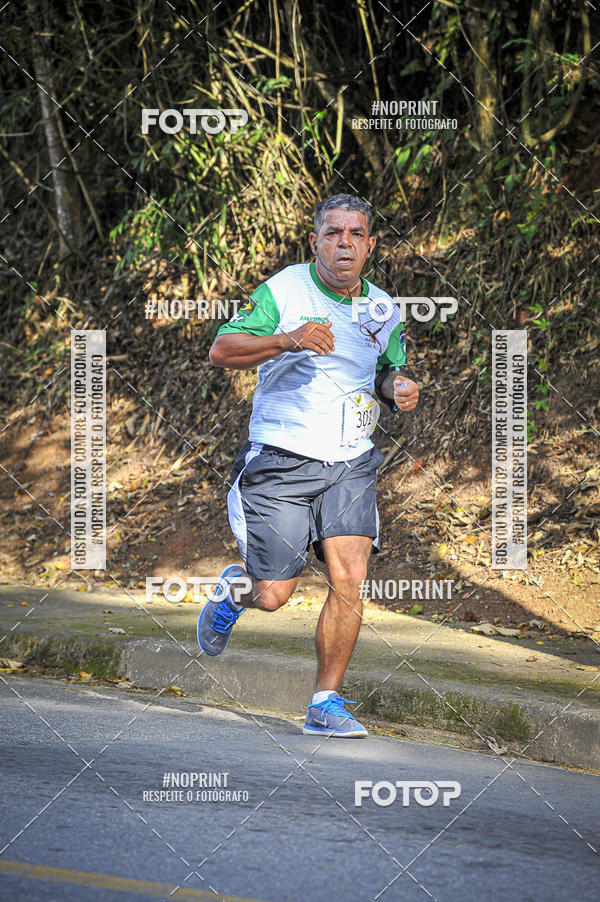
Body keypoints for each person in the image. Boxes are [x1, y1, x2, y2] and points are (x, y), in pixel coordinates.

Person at [198, 194, 419, 737]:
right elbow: (222, 351)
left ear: (370, 244)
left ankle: (324, 702)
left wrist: (398, 387)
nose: (345, 243)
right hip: (281, 459)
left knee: (350, 578)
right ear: (315, 240)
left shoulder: (383, 308)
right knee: (274, 595)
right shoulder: (285, 290)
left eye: (356, 234)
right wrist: (287, 340)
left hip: (350, 461)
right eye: (333, 233)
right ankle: (235, 591)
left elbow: (386, 371)